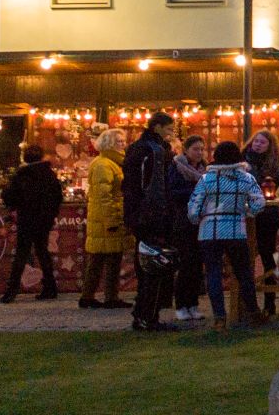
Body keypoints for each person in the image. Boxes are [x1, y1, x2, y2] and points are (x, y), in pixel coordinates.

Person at [186, 140, 262, 328]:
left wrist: (199, 218)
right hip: (236, 230)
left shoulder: (206, 179)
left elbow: (194, 207)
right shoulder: (246, 178)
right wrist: (247, 211)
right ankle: (253, 312)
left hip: (209, 232)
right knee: (244, 273)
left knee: (213, 274)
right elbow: (259, 203)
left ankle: (220, 317)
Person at [123, 111, 176, 331]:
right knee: (152, 265)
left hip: (141, 214)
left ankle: (146, 314)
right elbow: (151, 186)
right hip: (151, 215)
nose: (172, 133)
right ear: (157, 128)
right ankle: (146, 316)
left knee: (149, 264)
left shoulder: (141, 148)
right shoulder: (152, 151)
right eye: (169, 129)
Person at [0, 143, 64, 303]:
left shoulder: (22, 175)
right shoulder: (49, 175)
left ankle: (11, 291)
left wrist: (15, 207)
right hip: (44, 220)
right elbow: (57, 196)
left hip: (27, 218)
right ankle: (50, 287)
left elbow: (9, 196)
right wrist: (51, 214)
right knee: (42, 252)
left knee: (22, 253)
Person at [161, 135, 208, 323]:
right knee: (186, 264)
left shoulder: (205, 170)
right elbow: (172, 193)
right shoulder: (176, 168)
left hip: (199, 221)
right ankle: (181, 305)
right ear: (186, 150)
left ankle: (193, 304)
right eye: (196, 149)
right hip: (182, 221)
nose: (199, 153)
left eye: (202, 149)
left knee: (197, 266)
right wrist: (195, 191)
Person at [81, 127, 129, 309]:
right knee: (109, 258)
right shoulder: (104, 164)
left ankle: (90, 295)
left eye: (123, 141)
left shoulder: (110, 162)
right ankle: (109, 296)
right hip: (106, 218)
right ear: (109, 144)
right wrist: (112, 220)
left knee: (101, 258)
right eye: (119, 142)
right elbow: (104, 195)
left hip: (104, 216)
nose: (123, 145)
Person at [242, 130, 279, 288]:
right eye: (256, 141)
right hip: (246, 214)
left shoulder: (274, 163)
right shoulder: (243, 159)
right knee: (245, 255)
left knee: (267, 253)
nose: (258, 144)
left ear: (269, 146)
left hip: (267, 214)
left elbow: (271, 181)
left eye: (262, 142)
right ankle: (247, 297)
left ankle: (270, 297)